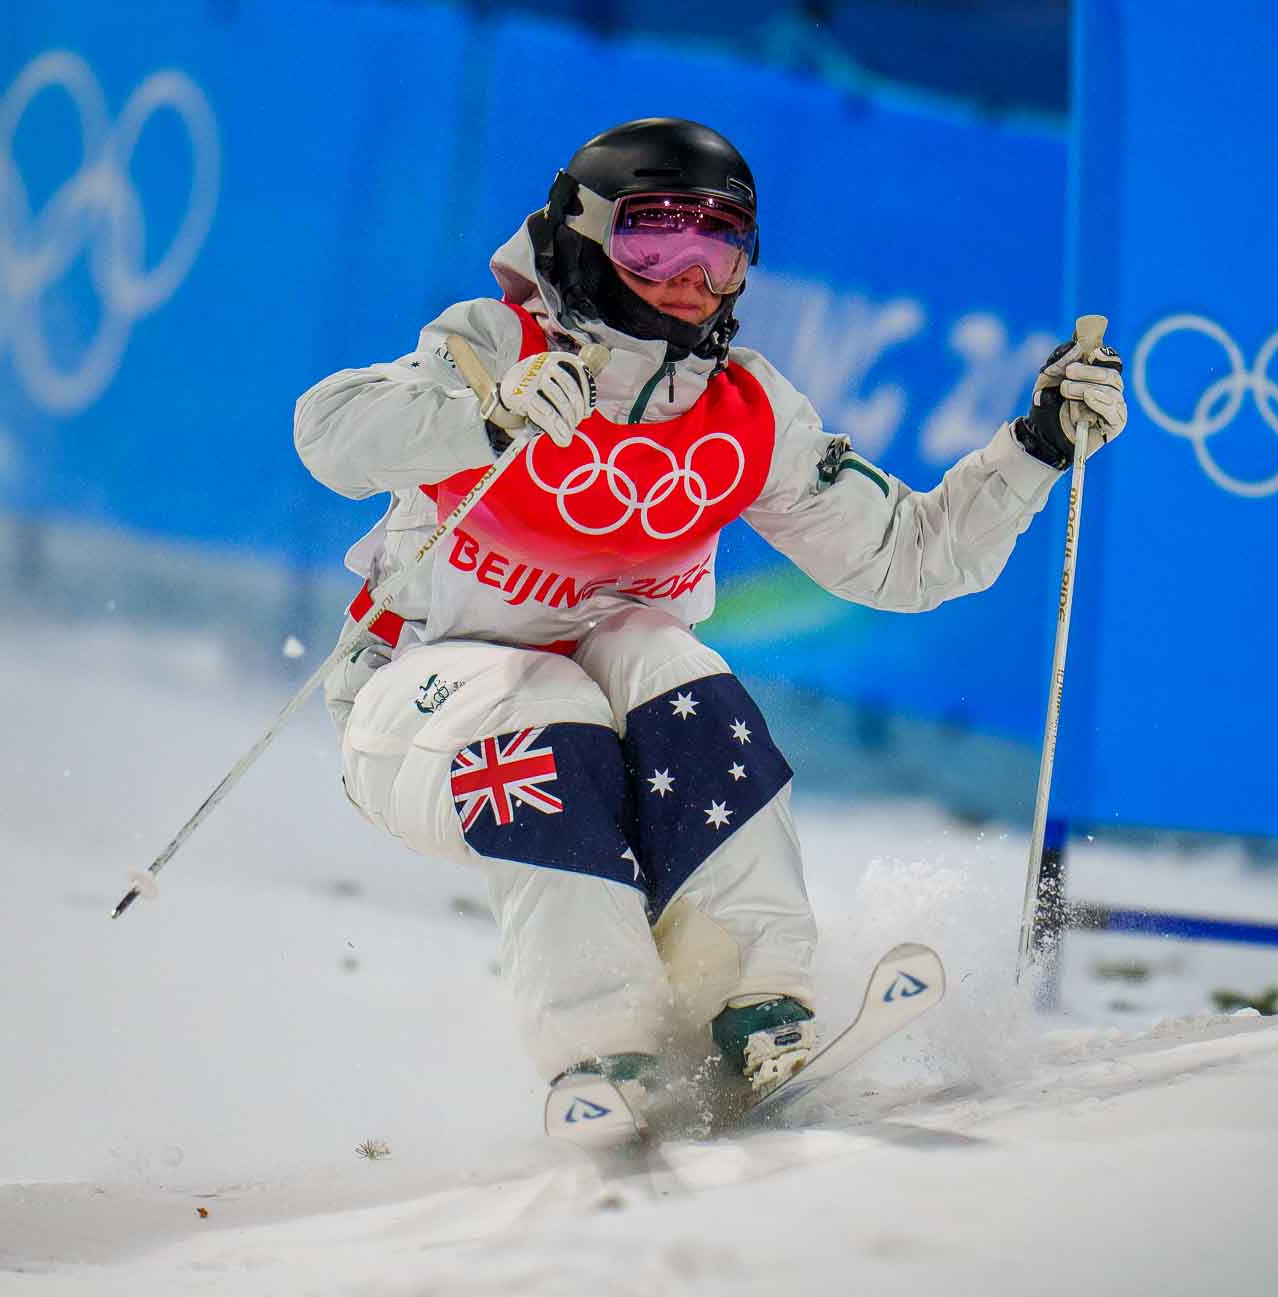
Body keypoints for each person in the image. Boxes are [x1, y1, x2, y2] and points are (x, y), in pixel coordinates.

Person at [293, 117, 1125, 1113]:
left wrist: (1035, 448)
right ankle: (605, 1048)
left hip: (609, 712)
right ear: (588, 233)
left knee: (665, 658)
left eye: (719, 246)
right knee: (543, 698)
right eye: (653, 239)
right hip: (416, 707)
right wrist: (481, 417)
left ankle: (748, 999)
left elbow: (911, 556)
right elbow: (327, 432)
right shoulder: (492, 348)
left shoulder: (745, 414)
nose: (688, 273)